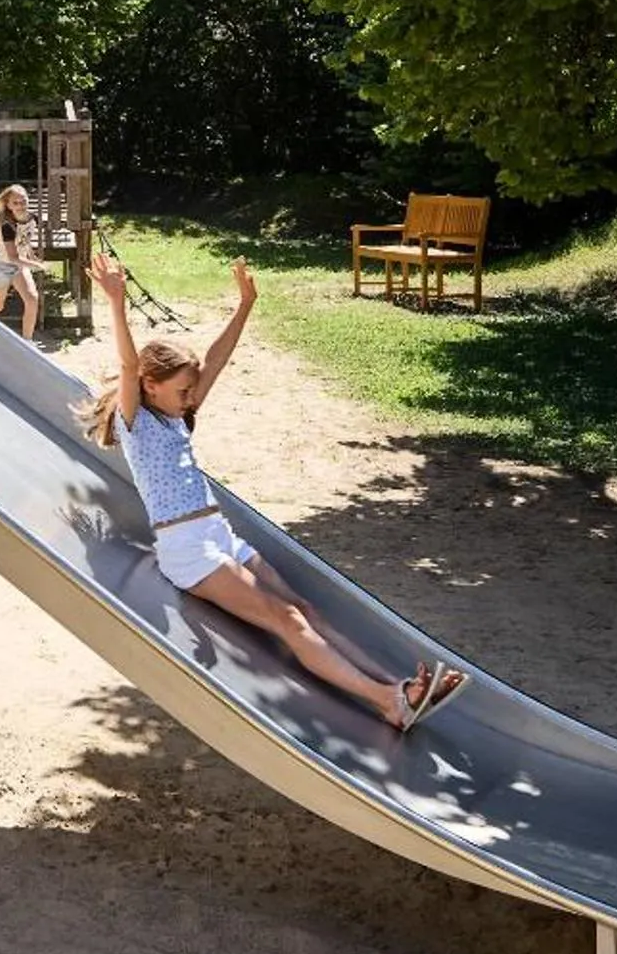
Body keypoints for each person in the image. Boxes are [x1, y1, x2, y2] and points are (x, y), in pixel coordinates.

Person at [83, 255, 467, 730]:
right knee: (287, 619)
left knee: (304, 609)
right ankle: (388, 701)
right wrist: (117, 303)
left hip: (217, 533)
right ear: (150, 386)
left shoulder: (175, 414)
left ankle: (400, 686)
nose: (192, 399)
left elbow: (216, 358)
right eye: (183, 390)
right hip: (188, 549)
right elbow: (126, 361)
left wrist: (245, 305)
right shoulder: (136, 422)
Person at [0, 184, 44, 343]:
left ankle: (27, 342)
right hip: (1, 266)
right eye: (15, 203)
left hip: (18, 266)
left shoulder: (33, 218)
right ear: (9, 206)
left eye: (23, 201)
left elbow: (25, 241)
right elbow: (13, 257)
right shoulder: (7, 226)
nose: (20, 205)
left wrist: (31, 256)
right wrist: (36, 265)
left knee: (32, 298)